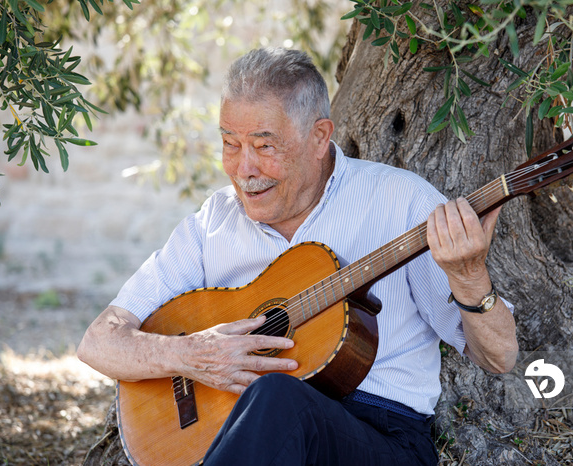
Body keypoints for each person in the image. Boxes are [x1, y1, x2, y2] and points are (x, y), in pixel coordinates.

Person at [78, 47, 518, 466]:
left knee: (277, 394)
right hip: (241, 436)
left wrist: (468, 275)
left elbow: (499, 356)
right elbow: (100, 342)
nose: (243, 168)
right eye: (230, 143)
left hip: (380, 438)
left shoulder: (402, 203)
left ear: (319, 137)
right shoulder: (213, 221)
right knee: (272, 397)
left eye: (264, 146)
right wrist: (191, 355)